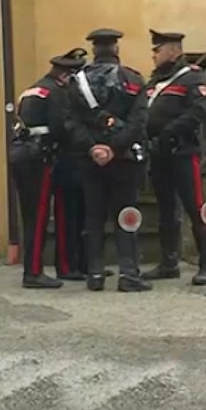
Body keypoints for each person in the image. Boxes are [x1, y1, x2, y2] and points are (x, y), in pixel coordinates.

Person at [65, 28, 152, 293]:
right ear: (116, 49)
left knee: (94, 216)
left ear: (94, 50)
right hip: (124, 159)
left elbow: (70, 122)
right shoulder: (133, 79)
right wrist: (115, 148)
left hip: (91, 160)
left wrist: (94, 148)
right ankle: (128, 273)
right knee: (126, 215)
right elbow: (139, 123)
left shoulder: (77, 82)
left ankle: (95, 273)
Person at [141, 30, 206, 286]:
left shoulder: (193, 78)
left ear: (173, 51)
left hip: (183, 152)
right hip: (159, 155)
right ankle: (168, 262)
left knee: (196, 208)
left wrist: (168, 133)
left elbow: (199, 111)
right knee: (166, 210)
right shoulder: (154, 82)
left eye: (157, 50)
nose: (153, 55)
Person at [11, 48, 88, 289]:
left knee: (30, 215)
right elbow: (60, 127)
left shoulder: (31, 90)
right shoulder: (56, 92)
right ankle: (33, 272)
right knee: (39, 216)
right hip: (40, 158)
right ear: (66, 76)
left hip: (22, 155)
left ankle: (40, 268)